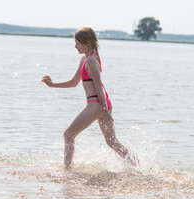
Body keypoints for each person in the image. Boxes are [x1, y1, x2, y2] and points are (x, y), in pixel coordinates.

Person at [42, 27, 138, 168]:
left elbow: (98, 86)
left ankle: (67, 170)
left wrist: (104, 111)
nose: (75, 46)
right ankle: (137, 166)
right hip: (101, 104)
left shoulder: (92, 60)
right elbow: (74, 82)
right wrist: (52, 85)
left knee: (68, 135)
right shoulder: (85, 59)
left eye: (78, 43)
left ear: (87, 42)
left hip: (97, 104)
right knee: (112, 142)